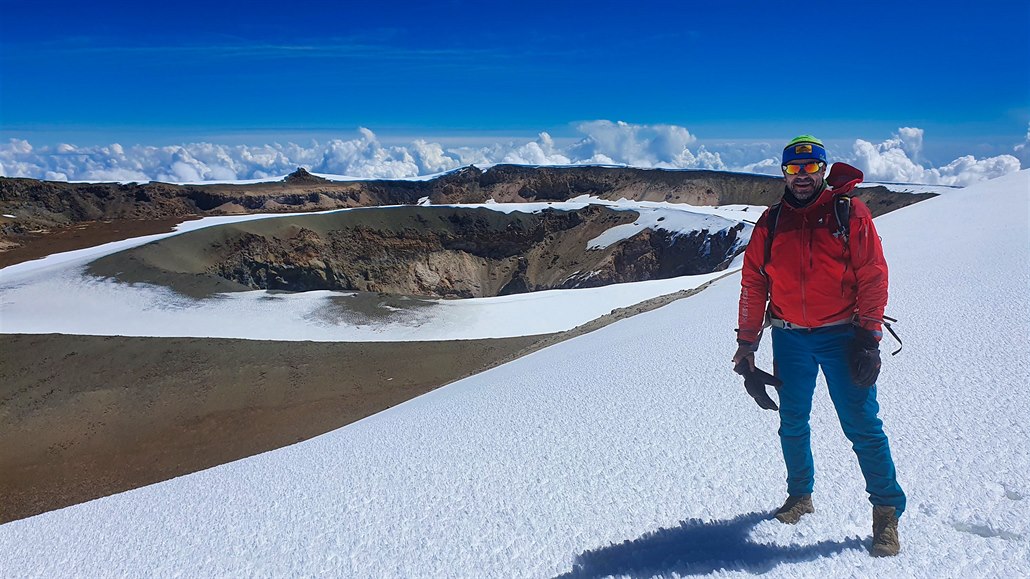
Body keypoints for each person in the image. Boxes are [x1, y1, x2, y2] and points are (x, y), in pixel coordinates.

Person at [732, 135, 906, 557]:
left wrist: (869, 337)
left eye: (810, 168)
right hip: (789, 336)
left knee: (862, 426)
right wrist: (746, 345)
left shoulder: (848, 212)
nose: (803, 176)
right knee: (792, 421)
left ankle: (886, 512)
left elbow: (872, 274)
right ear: (784, 173)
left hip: (843, 335)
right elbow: (754, 283)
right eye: (794, 169)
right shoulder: (771, 221)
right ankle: (800, 496)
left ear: (824, 169)